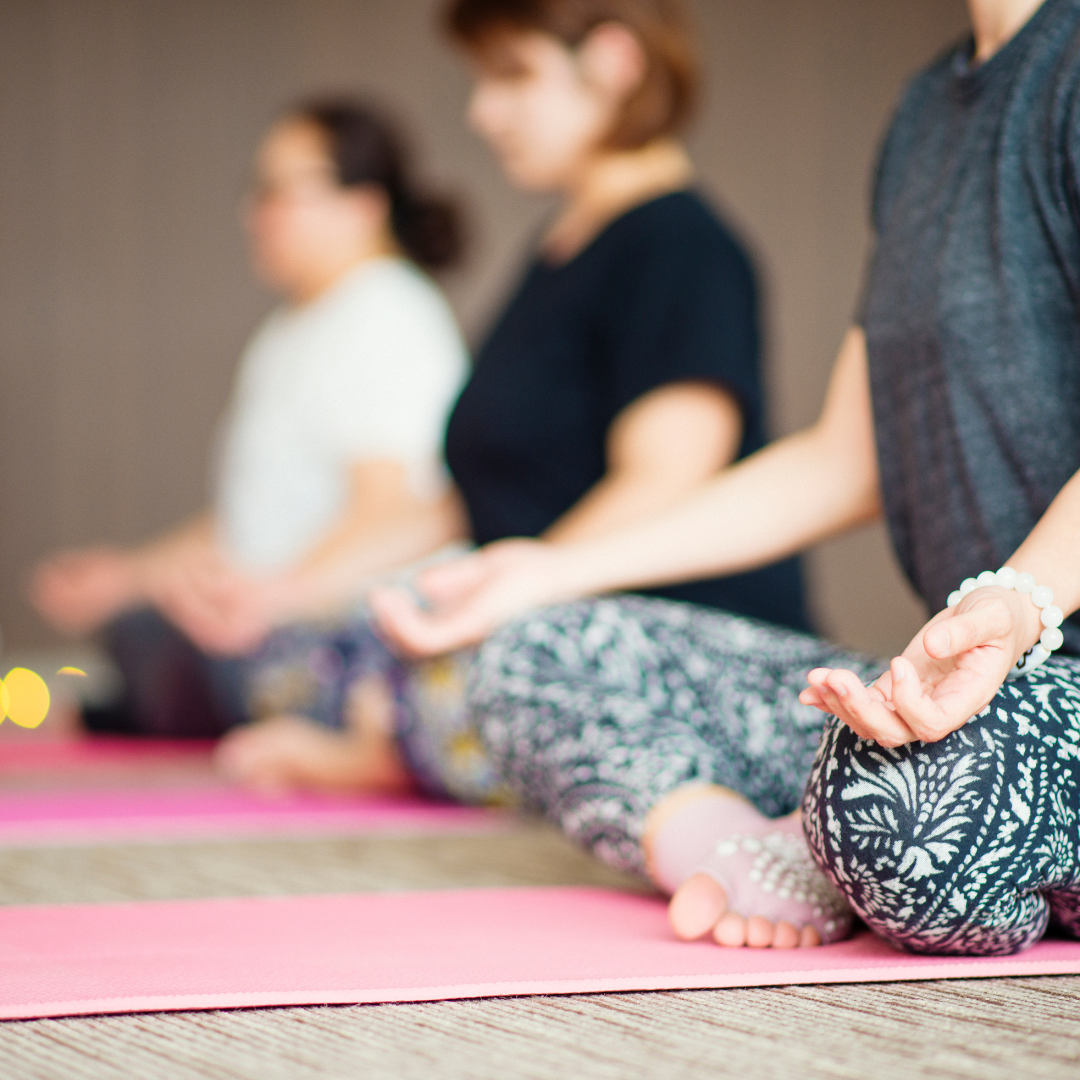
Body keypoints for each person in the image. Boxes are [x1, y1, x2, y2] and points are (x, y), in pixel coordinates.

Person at [373, 0, 1080, 956]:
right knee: (538, 651)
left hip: (1019, 709)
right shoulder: (925, 112)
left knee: (914, 817)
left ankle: (835, 832)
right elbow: (843, 456)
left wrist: (1019, 601)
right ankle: (773, 850)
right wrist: (544, 569)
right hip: (956, 708)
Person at [214, 0, 811, 798]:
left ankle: (398, 746)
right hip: (536, 607)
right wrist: (289, 589)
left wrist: (517, 593)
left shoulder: (682, 245)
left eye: (513, 77)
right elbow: (476, 496)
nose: (483, 112)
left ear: (614, 59)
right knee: (296, 643)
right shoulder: (556, 250)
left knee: (485, 673)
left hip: (658, 634)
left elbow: (667, 481)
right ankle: (398, 732)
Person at [30, 99, 469, 745]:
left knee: (156, 642)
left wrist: (278, 596)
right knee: (140, 625)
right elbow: (248, 524)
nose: (253, 215)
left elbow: (398, 509)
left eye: (276, 192)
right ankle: (142, 707)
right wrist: (127, 575)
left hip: (343, 630)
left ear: (362, 205)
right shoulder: (290, 330)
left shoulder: (386, 312)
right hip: (273, 614)